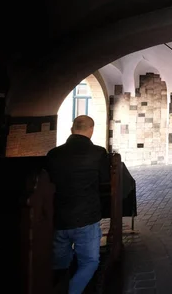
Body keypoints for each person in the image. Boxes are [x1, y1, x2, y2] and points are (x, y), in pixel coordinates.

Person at [45, 115, 110, 294]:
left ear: (72, 129)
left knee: (60, 263)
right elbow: (105, 180)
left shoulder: (53, 154)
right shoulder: (98, 153)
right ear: (91, 130)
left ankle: (59, 285)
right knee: (90, 261)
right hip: (87, 216)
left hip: (60, 218)